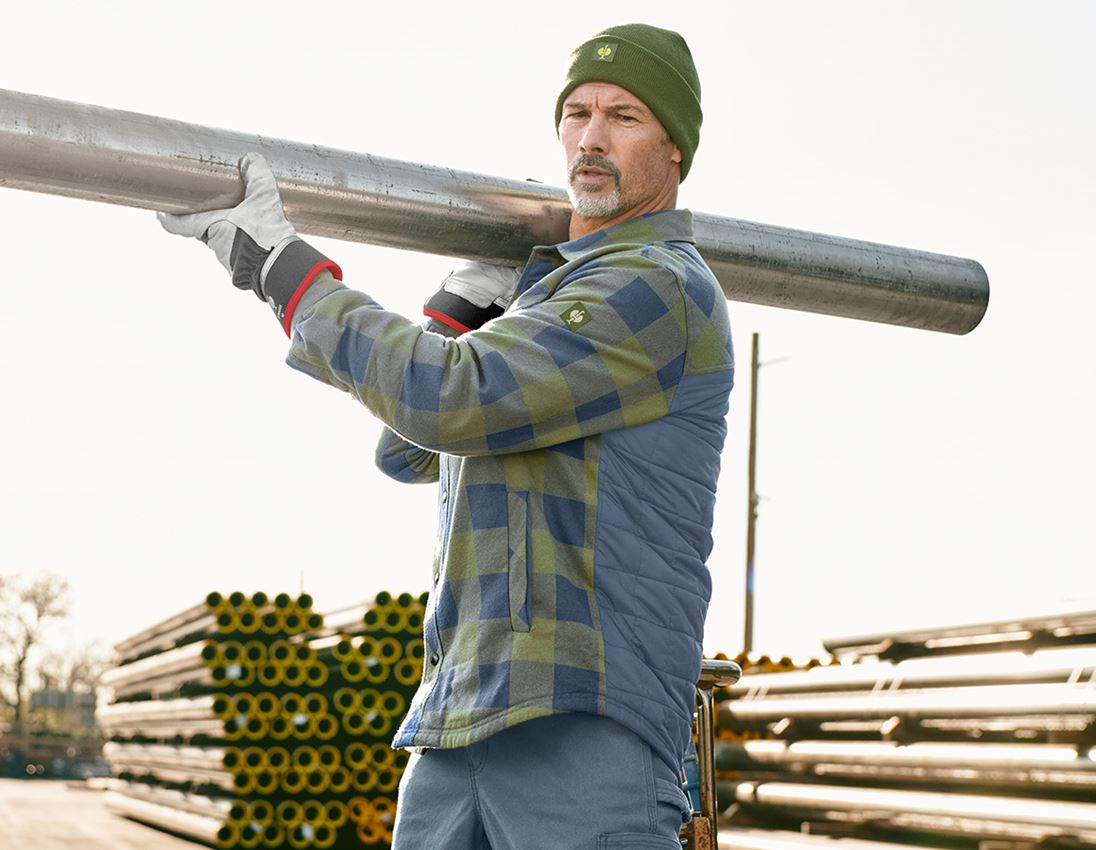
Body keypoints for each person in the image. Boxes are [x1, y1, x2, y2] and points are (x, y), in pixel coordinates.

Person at [160, 22, 734, 850]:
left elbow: (447, 398)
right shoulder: (554, 299)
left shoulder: (658, 286)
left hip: (585, 727)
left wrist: (276, 266)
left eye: (625, 117)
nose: (591, 138)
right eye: (577, 113)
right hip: (460, 722)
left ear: (675, 148)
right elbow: (408, 449)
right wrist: (465, 308)